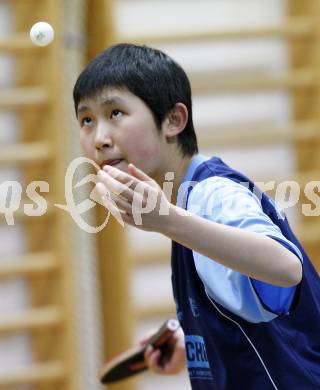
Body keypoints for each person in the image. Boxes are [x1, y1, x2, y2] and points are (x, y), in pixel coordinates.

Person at [73, 43, 320, 389]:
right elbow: (248, 309)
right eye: (86, 119)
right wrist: (190, 341)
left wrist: (167, 220)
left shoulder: (212, 194)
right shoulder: (187, 201)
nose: (99, 138)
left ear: (173, 120)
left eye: (115, 113)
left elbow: (285, 268)